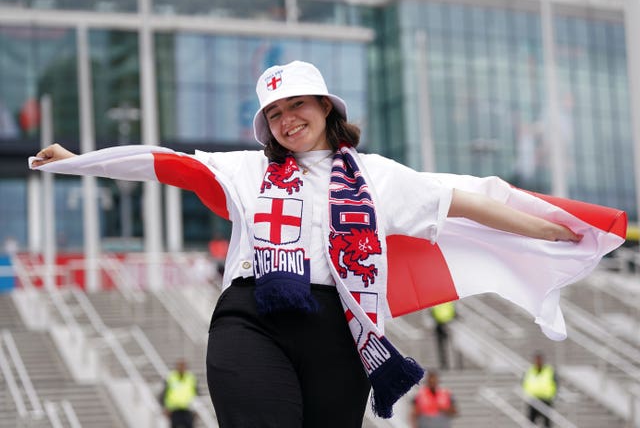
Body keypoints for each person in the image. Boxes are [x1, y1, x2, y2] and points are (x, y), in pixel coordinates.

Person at [30, 60, 624, 427]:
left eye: (298, 105)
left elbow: (462, 202)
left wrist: (547, 229)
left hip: (342, 333)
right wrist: (79, 162)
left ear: (325, 108)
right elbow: (166, 165)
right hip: (253, 317)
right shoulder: (246, 170)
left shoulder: (379, 177)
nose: (288, 120)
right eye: (275, 113)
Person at [522, 351, 557, 427]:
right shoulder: (530, 371)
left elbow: (555, 383)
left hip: (546, 399)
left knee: (547, 422)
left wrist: (553, 394)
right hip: (533, 399)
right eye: (537, 359)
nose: (538, 361)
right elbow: (524, 383)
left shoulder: (549, 370)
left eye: (539, 359)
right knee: (531, 421)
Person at [160, 359, 198, 428]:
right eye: (180, 366)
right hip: (174, 410)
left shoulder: (191, 378)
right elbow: (163, 394)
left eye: (183, 366)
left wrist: (196, 409)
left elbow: (196, 394)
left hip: (188, 410)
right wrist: (164, 408)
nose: (181, 368)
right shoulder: (170, 377)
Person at [430, 301, 456, 370]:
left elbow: (432, 313)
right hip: (446, 324)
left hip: (442, 324)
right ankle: (447, 364)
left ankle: (445, 364)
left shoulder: (435, 303)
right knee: (445, 347)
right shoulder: (449, 302)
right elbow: (453, 313)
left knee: (443, 347)